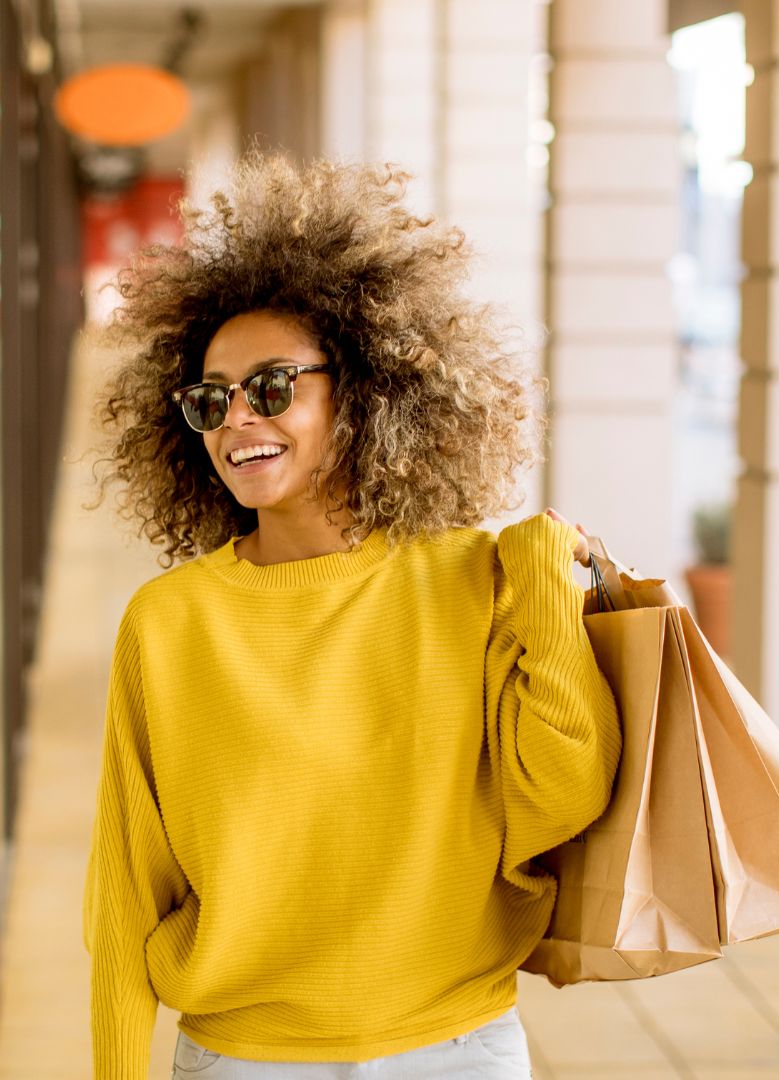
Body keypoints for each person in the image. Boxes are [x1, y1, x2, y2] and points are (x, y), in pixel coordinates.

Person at [83, 156, 622, 1079]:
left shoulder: (474, 581)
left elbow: (562, 800)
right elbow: (127, 895)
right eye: (211, 400)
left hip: (458, 1048)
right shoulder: (170, 623)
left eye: (274, 386)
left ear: (365, 389)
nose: (237, 421)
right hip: (242, 1058)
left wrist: (539, 578)